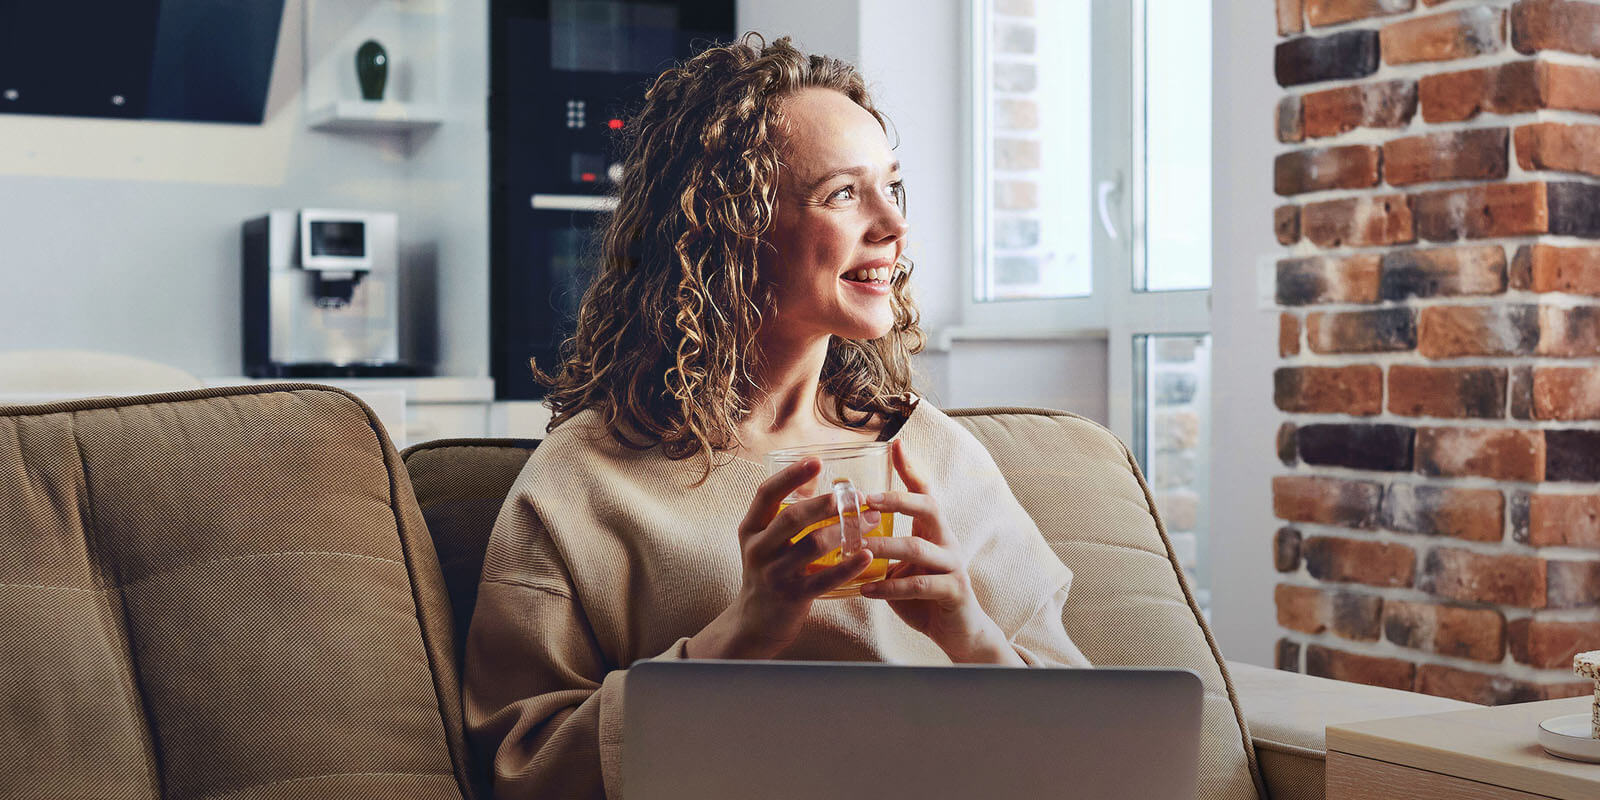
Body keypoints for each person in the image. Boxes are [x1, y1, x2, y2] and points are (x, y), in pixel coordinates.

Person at [463, 34, 1090, 799]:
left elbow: (1088, 745)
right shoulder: (584, 478)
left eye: (893, 186)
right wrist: (743, 632)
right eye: (842, 194)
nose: (893, 225)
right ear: (726, 231)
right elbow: (522, 768)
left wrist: (970, 631)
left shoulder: (932, 451)